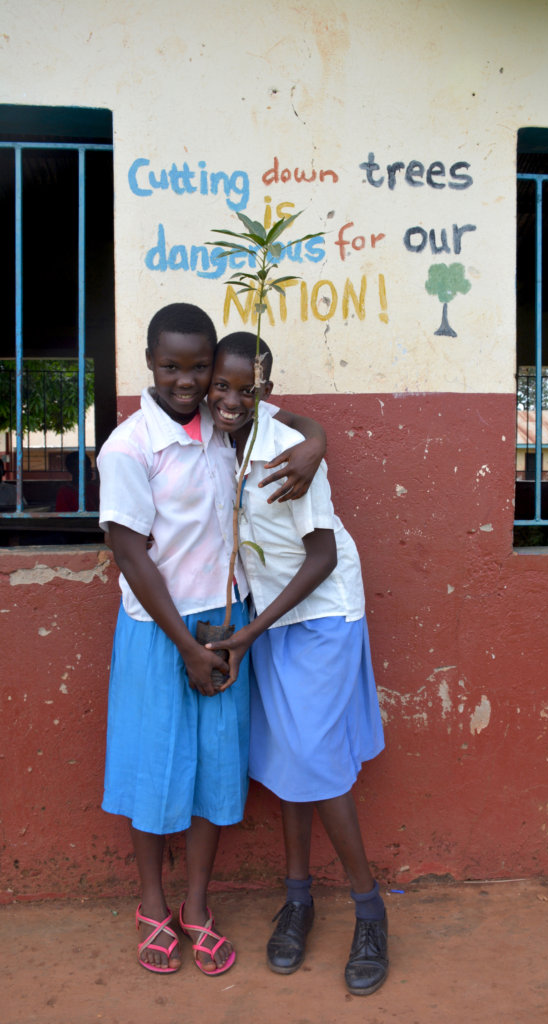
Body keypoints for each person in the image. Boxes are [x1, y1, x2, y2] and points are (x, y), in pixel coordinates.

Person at [97, 303, 326, 976]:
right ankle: (150, 903)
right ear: (148, 363)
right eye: (172, 366)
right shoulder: (130, 447)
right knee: (153, 771)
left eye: (199, 367)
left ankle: (196, 905)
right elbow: (131, 557)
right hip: (160, 632)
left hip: (226, 626)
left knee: (212, 774)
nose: (188, 381)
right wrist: (187, 649)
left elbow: (294, 425)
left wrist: (315, 442)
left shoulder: (227, 429)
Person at [206, 332, 387, 997]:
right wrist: (318, 430)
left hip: (317, 615)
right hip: (270, 620)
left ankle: (370, 910)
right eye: (218, 386)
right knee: (286, 759)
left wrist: (249, 631)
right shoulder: (213, 441)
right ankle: (299, 898)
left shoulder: (289, 453)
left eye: (244, 389)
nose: (228, 400)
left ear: (265, 393)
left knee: (313, 757)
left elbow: (321, 557)